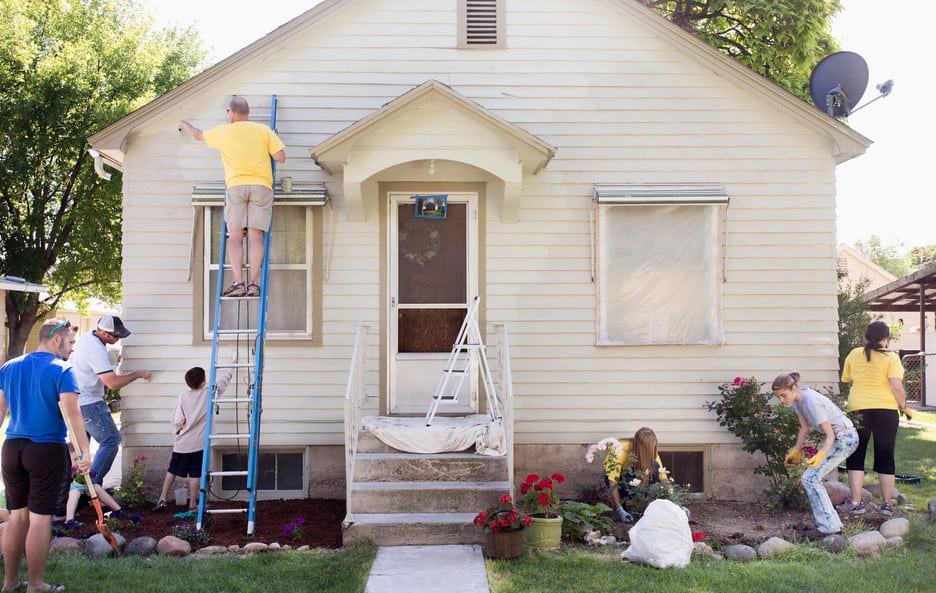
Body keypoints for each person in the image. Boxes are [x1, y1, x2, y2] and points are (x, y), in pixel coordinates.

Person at [0, 317, 92, 593]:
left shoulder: (9, 367)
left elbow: (0, 410)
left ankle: (10, 582)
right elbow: (73, 415)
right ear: (56, 339)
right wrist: (84, 452)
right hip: (45, 450)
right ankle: (36, 584)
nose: (73, 348)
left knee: (17, 517)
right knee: (40, 519)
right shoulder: (62, 370)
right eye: (71, 342)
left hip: (13, 449)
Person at [179, 96, 286, 298]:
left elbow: (198, 135)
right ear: (247, 113)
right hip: (261, 186)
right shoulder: (263, 131)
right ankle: (253, 284)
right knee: (256, 237)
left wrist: (185, 124)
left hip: (236, 186)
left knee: (235, 237)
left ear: (231, 112)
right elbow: (280, 157)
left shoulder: (224, 132)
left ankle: (238, 283)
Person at [772, 372, 858, 536]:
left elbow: (831, 436)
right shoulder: (798, 401)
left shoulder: (811, 402)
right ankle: (831, 524)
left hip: (845, 439)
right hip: (839, 438)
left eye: (783, 395)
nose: (782, 400)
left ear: (794, 388)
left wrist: (820, 455)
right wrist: (796, 451)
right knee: (811, 478)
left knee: (810, 478)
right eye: (778, 397)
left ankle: (829, 527)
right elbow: (804, 429)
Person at [71, 315, 150, 486]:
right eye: (117, 336)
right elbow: (112, 383)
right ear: (105, 333)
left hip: (76, 402)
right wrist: (137, 374)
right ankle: (92, 487)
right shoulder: (96, 349)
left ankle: (74, 493)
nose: (119, 339)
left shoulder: (87, 339)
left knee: (81, 451)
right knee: (110, 440)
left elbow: (97, 371)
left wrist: (115, 366)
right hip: (89, 403)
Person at [839, 320, 907, 516]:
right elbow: (896, 385)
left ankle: (855, 502)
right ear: (885, 339)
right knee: (886, 456)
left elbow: (849, 380)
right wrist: (903, 406)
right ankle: (886, 504)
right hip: (886, 410)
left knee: (856, 455)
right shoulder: (892, 358)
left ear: (865, 337)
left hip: (858, 410)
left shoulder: (854, 354)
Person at [152, 365, 234, 515]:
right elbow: (222, 384)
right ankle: (192, 505)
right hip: (199, 444)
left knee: (172, 471)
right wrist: (230, 369)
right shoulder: (209, 393)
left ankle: (162, 499)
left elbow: (178, 419)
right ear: (203, 382)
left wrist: (178, 432)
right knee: (195, 475)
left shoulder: (183, 396)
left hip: (182, 443)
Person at [603, 427, 670, 523]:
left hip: (635, 473)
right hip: (618, 475)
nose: (651, 452)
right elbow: (612, 481)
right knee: (627, 487)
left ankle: (650, 506)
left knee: (655, 465)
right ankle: (623, 505)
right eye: (648, 450)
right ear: (641, 447)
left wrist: (676, 505)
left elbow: (664, 479)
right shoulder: (619, 449)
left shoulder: (651, 451)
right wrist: (620, 510)